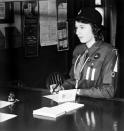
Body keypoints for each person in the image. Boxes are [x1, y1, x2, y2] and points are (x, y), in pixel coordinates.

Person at [51, 7, 119, 98]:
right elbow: (74, 80)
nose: (77, 32)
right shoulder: (78, 50)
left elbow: (108, 91)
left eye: (82, 27)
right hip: (76, 103)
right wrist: (62, 87)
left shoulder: (109, 52)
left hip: (99, 107)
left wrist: (78, 92)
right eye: (76, 28)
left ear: (95, 28)